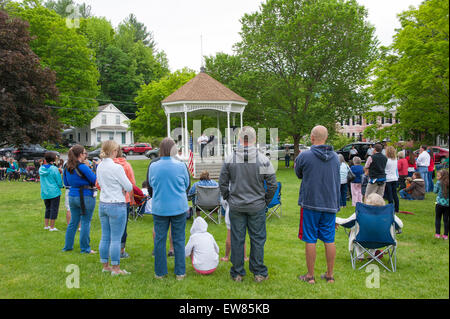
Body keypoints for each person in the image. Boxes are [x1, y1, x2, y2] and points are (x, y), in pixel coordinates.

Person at [219, 126, 277, 283]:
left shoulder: (229, 159)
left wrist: (228, 197)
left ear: (239, 139)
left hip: (237, 204)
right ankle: (258, 273)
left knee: (237, 239)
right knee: (257, 239)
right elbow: (272, 185)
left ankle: (237, 273)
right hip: (255, 205)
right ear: (255, 139)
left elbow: (222, 183)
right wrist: (264, 201)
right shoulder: (263, 159)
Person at [294, 125, 340, 284]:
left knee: (310, 239)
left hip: (311, 203)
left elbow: (298, 173)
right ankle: (330, 275)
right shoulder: (335, 157)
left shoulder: (304, 156)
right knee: (329, 239)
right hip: (329, 203)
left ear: (312, 138)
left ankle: (310, 276)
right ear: (326, 138)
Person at [148, 137, 190, 280]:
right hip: (178, 206)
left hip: (160, 206)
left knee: (160, 240)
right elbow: (186, 185)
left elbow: (151, 186)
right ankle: (180, 272)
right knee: (179, 239)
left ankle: (160, 272)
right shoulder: (181, 166)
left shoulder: (153, 166)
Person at [96, 140, 133, 275]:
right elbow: (129, 186)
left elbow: (99, 183)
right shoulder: (117, 167)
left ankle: (105, 266)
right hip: (116, 203)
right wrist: (122, 188)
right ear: (113, 151)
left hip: (103, 203)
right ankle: (116, 268)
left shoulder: (99, 166)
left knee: (105, 237)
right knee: (116, 238)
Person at [335, 193, 403, 260]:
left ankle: (360, 255)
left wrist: (335, 220)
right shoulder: (388, 213)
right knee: (376, 231)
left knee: (355, 230)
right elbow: (400, 225)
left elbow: (347, 223)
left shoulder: (361, 212)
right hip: (384, 240)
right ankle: (372, 254)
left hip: (362, 240)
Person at [62, 145, 97, 254]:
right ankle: (85, 248)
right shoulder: (83, 167)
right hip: (85, 195)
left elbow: (66, 183)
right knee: (85, 221)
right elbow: (94, 180)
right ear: (80, 154)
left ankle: (67, 246)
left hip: (72, 195)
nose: (86, 155)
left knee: (73, 222)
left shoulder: (67, 167)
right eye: (85, 153)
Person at [113, 147, 137, 259]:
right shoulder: (126, 166)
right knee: (122, 226)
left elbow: (98, 184)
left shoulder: (105, 166)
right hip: (123, 199)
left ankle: (111, 249)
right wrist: (132, 199)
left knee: (110, 227)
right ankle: (121, 251)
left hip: (108, 200)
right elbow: (131, 184)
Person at [39, 152, 63, 231]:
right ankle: (52, 227)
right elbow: (58, 180)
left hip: (45, 192)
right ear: (53, 160)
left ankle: (46, 225)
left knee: (48, 208)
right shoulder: (54, 169)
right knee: (54, 209)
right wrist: (61, 186)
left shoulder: (41, 168)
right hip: (54, 192)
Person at [220, 198, 249, 263]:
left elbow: (223, 200)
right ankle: (244, 257)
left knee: (229, 234)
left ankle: (226, 256)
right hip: (243, 208)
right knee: (241, 234)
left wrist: (226, 207)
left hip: (231, 208)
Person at [433, 170, 449, 240]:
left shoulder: (439, 183)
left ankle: (437, 234)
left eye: (438, 176)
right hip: (448, 204)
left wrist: (435, 185)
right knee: (446, 220)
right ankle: (446, 235)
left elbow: (434, 191)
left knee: (438, 218)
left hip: (439, 203)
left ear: (442, 176)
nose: (437, 177)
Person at [384, 146, 399, 213]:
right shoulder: (395, 160)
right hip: (394, 178)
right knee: (394, 194)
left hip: (388, 178)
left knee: (389, 194)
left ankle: (390, 208)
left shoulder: (387, 160)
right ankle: (397, 208)